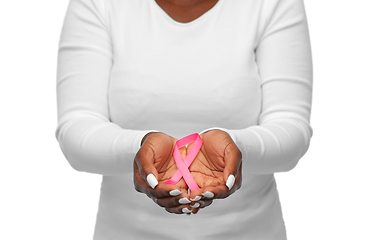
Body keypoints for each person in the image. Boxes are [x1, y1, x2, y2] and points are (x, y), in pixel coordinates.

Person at [55, 0, 313, 239]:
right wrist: (138, 146)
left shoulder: (272, 4)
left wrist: (237, 145)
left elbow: (290, 127)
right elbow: (77, 128)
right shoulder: (99, 4)